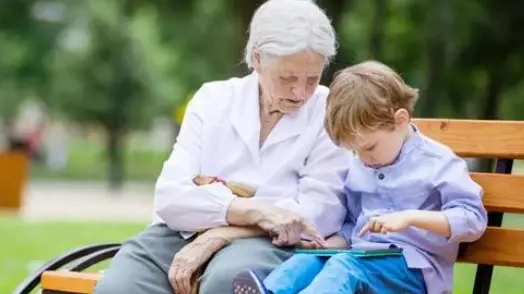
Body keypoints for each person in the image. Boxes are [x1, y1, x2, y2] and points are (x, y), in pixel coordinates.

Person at [93, 1, 350, 294]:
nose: (300, 93)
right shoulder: (212, 99)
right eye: (287, 78)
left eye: (312, 79)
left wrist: (221, 234)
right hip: (179, 233)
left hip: (269, 243)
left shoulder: (330, 112)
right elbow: (170, 196)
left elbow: (316, 216)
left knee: (226, 282)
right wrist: (254, 211)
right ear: (257, 59)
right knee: (119, 288)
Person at [233, 61, 488, 294]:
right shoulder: (360, 166)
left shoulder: (438, 162)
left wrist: (410, 218)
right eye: (355, 151)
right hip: (363, 257)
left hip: (416, 269)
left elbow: (472, 219)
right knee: (313, 258)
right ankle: (269, 291)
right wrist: (332, 243)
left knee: (346, 266)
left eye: (369, 147)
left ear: (400, 120)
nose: (363, 158)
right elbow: (354, 222)